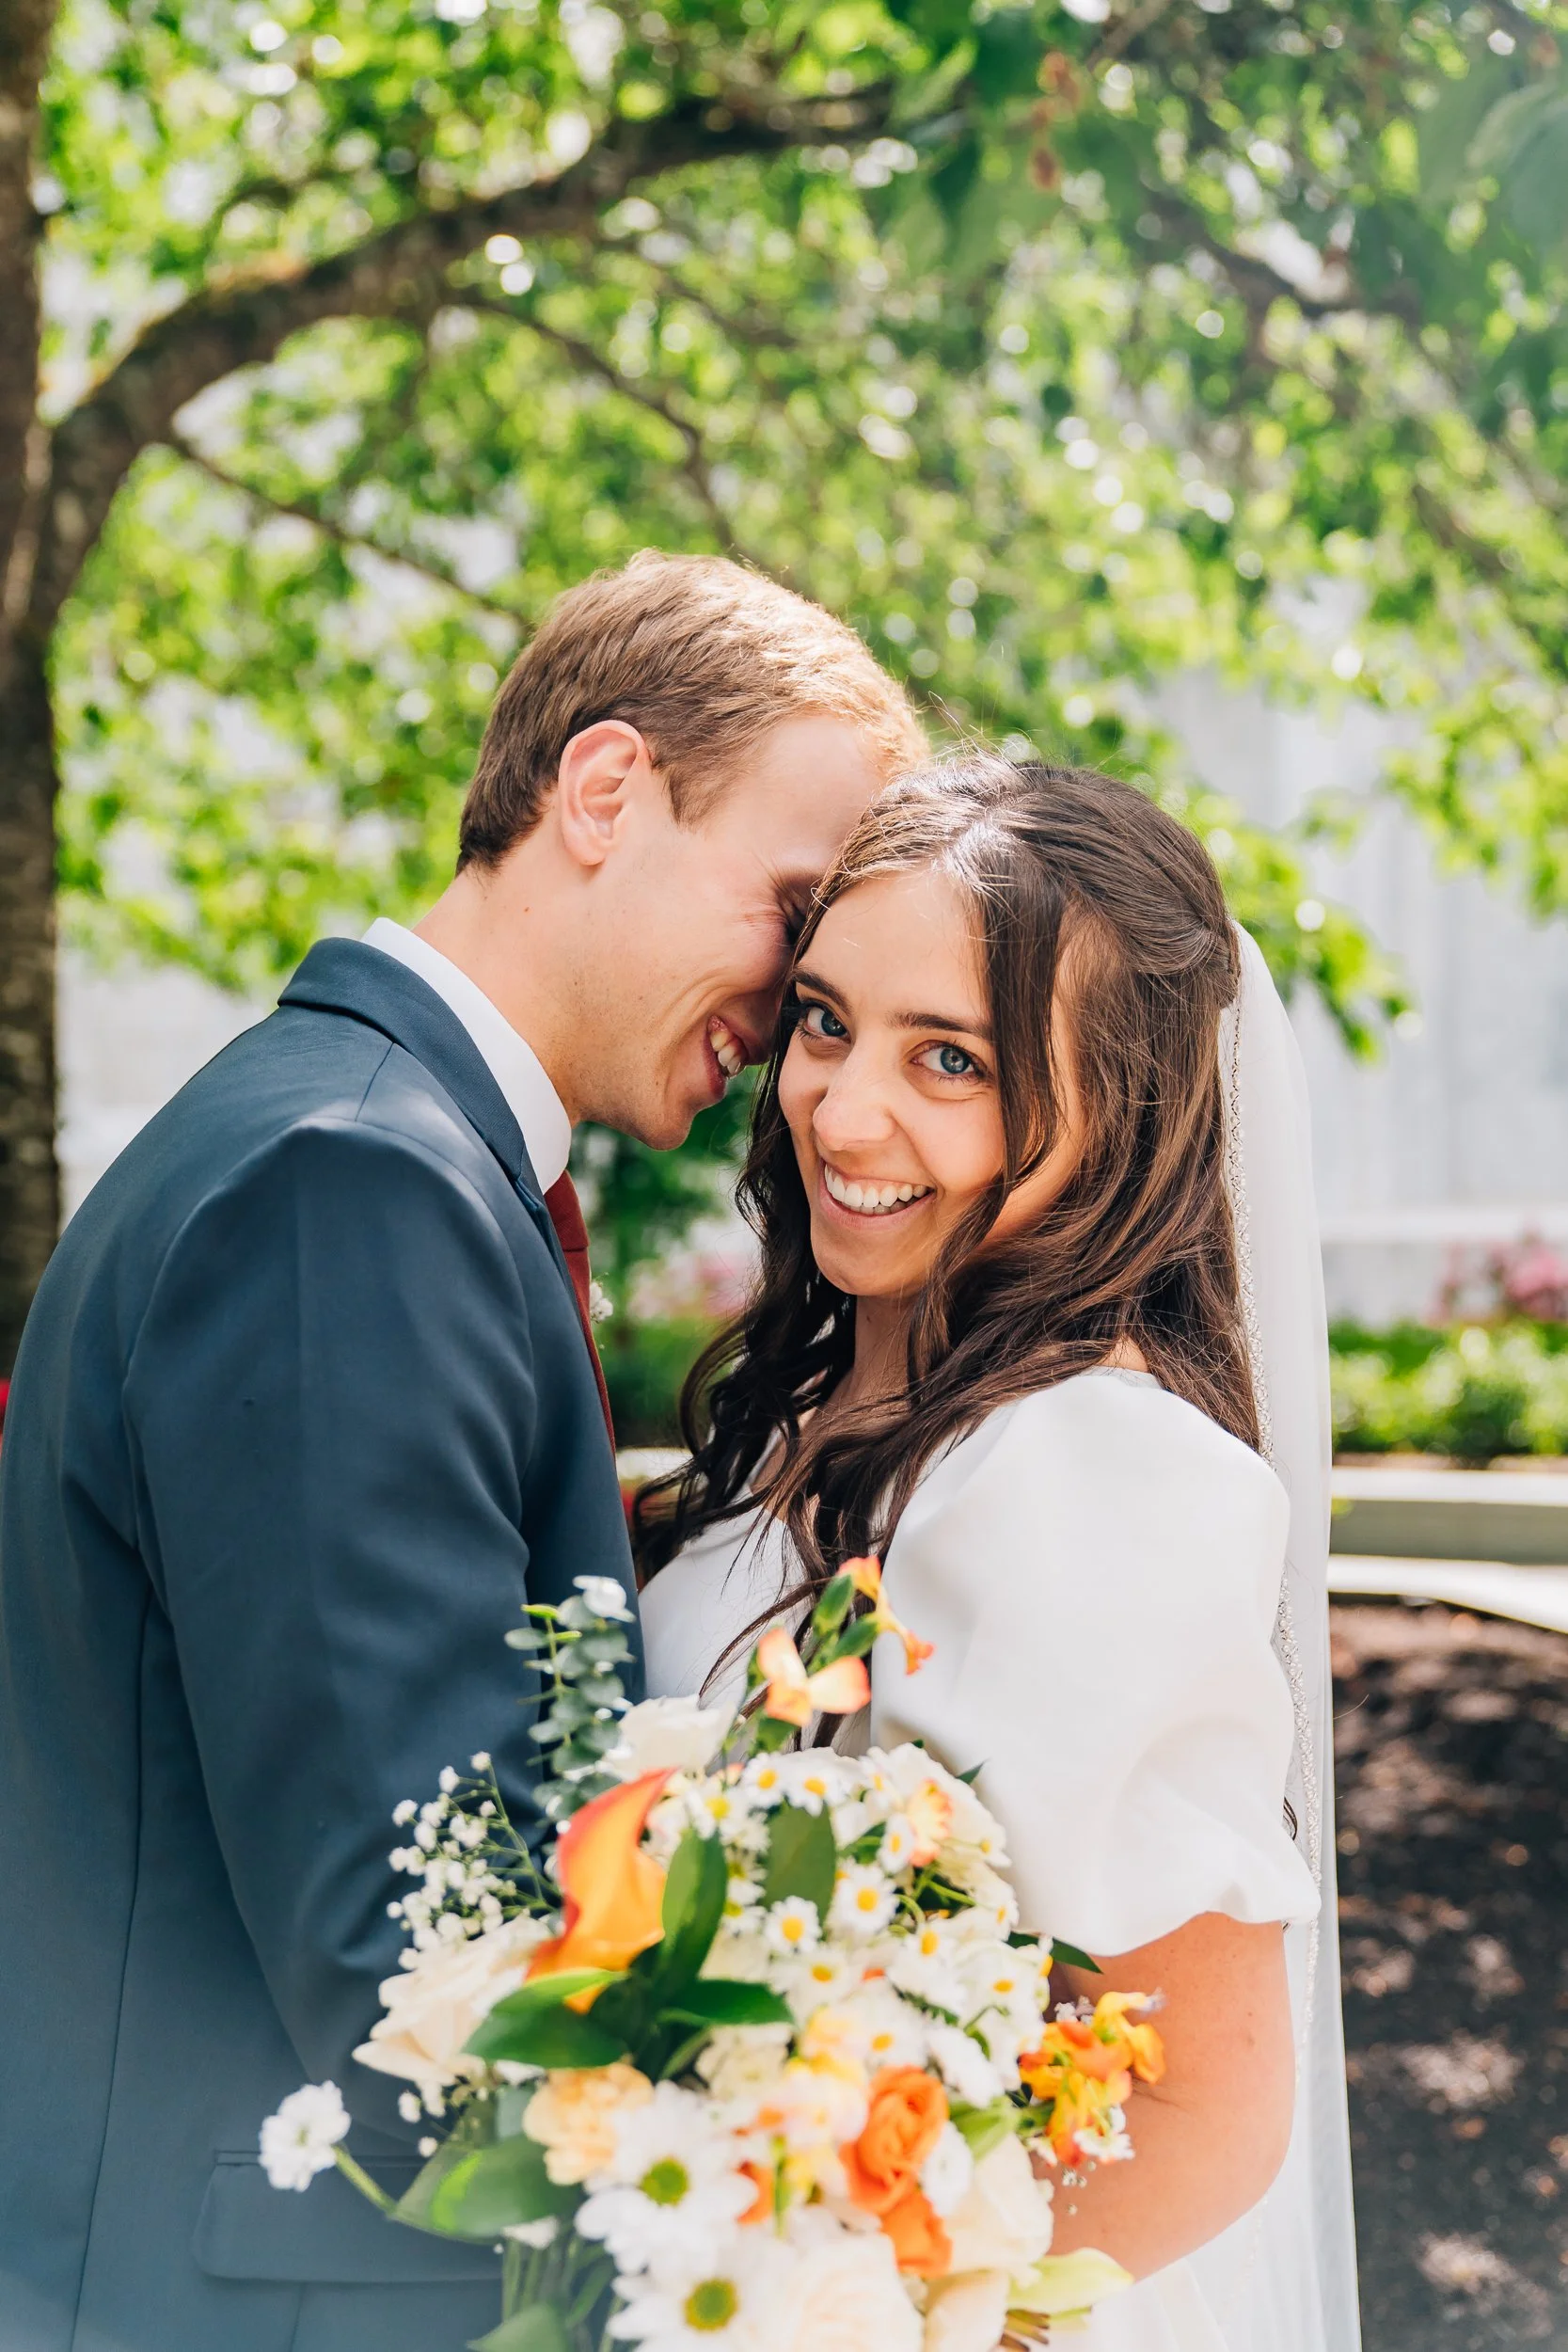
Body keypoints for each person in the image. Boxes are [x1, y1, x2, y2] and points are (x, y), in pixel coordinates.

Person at [0, 551, 924, 2352]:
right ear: (603, 792)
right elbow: (407, 1922)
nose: (794, 1013)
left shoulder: (384, 1156)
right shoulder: (346, 1188)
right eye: (791, 909)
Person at [638, 755, 1359, 2352]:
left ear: (1123, 1115)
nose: (842, 1108)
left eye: (948, 1059)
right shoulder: (810, 1414)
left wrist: (808, 2317)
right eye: (825, 1022)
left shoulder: (1094, 1471)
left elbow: (1205, 2114)